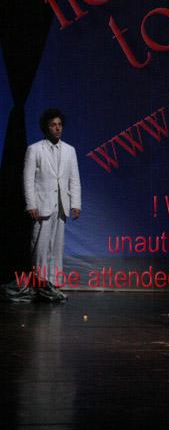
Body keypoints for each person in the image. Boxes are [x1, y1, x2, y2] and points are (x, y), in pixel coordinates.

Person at [23, 109, 81, 299]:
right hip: (42, 205)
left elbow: (74, 179)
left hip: (61, 205)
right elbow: (28, 179)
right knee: (40, 246)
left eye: (59, 124)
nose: (57, 128)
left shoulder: (70, 150)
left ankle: (54, 284)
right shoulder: (35, 149)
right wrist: (31, 204)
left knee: (57, 247)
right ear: (46, 128)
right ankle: (39, 284)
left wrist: (76, 203)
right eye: (53, 125)